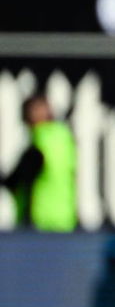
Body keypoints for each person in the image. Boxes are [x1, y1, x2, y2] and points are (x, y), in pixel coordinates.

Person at [3, 93, 75, 231]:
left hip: (39, 225)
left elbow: (16, 180)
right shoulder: (65, 139)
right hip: (65, 222)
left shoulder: (39, 145)